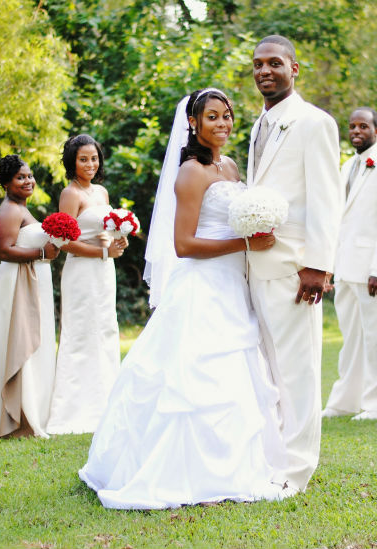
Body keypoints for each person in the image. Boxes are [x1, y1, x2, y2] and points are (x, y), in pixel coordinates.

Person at [79, 88, 290, 509]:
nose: (223, 123)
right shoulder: (191, 172)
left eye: (227, 115)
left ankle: (240, 464)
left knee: (238, 373)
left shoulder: (229, 166)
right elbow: (184, 244)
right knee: (194, 377)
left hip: (235, 286)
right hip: (203, 286)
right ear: (193, 123)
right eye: (213, 116)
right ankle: (188, 472)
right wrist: (244, 245)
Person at [246, 35, 341, 492]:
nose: (265, 71)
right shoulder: (257, 125)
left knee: (298, 371)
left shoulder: (314, 123)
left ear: (295, 68)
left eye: (275, 63)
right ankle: (273, 459)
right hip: (255, 267)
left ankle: (297, 470)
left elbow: (326, 198)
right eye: (258, 64)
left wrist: (318, 265)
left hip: (294, 269)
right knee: (270, 370)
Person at [323, 107, 377, 421]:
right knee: (351, 337)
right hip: (345, 267)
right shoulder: (347, 167)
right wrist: (330, 266)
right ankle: (344, 400)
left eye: (364, 126)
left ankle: (376, 403)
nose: (357, 131)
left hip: (372, 270)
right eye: (352, 126)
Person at [47, 135, 128, 435]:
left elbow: (100, 231)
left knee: (105, 329)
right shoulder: (70, 194)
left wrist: (115, 241)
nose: (90, 164)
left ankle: (106, 402)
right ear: (72, 161)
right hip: (82, 271)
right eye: (83, 159)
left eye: (94, 158)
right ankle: (74, 409)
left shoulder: (102, 192)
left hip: (104, 272)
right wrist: (102, 251)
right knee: (81, 333)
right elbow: (64, 241)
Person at [0, 155, 60, 438]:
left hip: (31, 280)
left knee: (32, 343)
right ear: (6, 183)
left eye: (30, 176)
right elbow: (3, 250)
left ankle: (31, 409)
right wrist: (41, 253)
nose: (28, 181)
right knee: (19, 343)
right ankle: (17, 417)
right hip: (16, 283)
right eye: (20, 177)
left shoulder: (22, 208)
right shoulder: (10, 210)